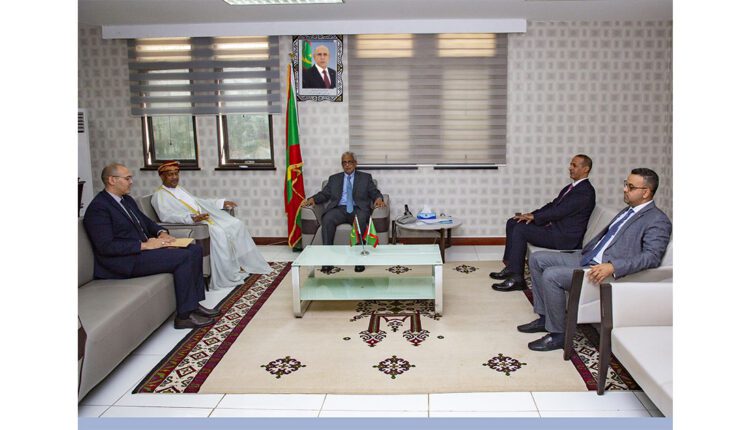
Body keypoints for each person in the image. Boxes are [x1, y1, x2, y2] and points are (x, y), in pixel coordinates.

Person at [519, 168, 672, 352]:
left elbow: (652, 257)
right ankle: (545, 318)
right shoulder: (628, 211)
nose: (625, 189)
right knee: (537, 259)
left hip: (601, 270)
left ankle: (558, 335)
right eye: (626, 184)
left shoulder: (657, 220)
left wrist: (613, 266)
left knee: (552, 276)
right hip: (587, 257)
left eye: (631, 187)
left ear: (646, 192)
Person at [83, 163, 221, 330]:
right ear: (112, 180)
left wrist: (161, 232)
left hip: (140, 253)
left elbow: (147, 222)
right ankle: (184, 317)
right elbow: (106, 246)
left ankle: (194, 305)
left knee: (194, 249)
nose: (131, 182)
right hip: (123, 261)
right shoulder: (98, 208)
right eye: (127, 178)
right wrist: (144, 245)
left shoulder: (126, 200)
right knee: (183, 257)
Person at [150, 161, 272, 289]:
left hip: (203, 219)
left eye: (176, 174)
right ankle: (226, 273)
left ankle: (240, 264)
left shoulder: (179, 189)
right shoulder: (159, 196)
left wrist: (220, 203)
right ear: (162, 176)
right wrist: (192, 218)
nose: (175, 177)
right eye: (170, 174)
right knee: (220, 233)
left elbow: (198, 202)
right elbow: (167, 216)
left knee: (236, 224)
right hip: (194, 225)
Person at [491, 154, 596, 292]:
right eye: (571, 164)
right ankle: (511, 267)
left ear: (586, 169)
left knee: (521, 230)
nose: (570, 168)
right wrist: (530, 215)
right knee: (513, 222)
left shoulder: (585, 192)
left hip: (564, 237)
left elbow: (559, 212)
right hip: (555, 228)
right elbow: (552, 205)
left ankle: (517, 279)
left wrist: (534, 217)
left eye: (574, 165)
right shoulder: (570, 188)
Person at [301, 152, 385, 273]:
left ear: (355, 163)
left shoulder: (365, 178)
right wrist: (312, 199)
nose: (347, 165)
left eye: (350, 162)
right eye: (344, 163)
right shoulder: (334, 179)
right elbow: (324, 194)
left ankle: (358, 260)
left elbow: (374, 192)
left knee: (360, 219)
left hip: (358, 209)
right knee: (327, 219)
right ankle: (327, 260)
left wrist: (378, 198)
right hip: (339, 209)